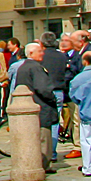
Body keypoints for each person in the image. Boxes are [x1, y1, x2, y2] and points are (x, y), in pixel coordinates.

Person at [14, 42, 58, 172]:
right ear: (31, 53)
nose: (42, 53)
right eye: (40, 51)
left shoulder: (22, 67)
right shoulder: (36, 68)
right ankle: (44, 164)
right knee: (44, 138)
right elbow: (43, 88)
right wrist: (52, 98)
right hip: (41, 106)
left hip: (28, 105)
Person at [39, 30, 69, 161]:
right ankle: (53, 152)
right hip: (58, 90)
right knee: (55, 121)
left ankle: (45, 152)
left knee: (44, 122)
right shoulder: (62, 56)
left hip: (44, 91)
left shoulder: (41, 56)